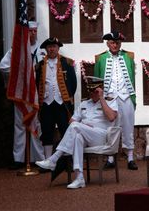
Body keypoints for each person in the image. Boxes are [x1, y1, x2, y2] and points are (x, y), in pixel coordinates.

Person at [35, 76, 118, 189]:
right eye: (90, 90)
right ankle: (79, 178)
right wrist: (83, 126)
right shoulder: (84, 104)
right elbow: (72, 122)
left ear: (100, 90)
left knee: (76, 127)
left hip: (101, 137)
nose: (91, 93)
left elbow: (112, 117)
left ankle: (53, 159)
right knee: (77, 137)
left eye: (95, 91)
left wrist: (102, 98)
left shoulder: (110, 101)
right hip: (85, 134)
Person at [0, 20, 45, 169]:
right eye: (30, 31)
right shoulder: (15, 50)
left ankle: (37, 158)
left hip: (38, 93)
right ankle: (18, 159)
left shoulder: (42, 50)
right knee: (19, 125)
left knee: (36, 124)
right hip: (21, 93)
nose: (33, 34)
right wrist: (21, 72)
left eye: (35, 31)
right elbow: (3, 67)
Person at [94, 31, 138, 170]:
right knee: (110, 128)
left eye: (117, 42)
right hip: (109, 98)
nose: (115, 45)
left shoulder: (128, 57)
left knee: (128, 127)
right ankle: (110, 158)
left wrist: (133, 97)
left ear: (121, 43)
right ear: (108, 43)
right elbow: (96, 81)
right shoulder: (100, 59)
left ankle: (130, 157)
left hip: (126, 96)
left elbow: (132, 78)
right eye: (112, 42)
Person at [35, 37, 77, 159]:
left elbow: (73, 84)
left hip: (62, 103)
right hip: (47, 104)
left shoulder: (67, 63)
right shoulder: (39, 66)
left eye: (54, 46)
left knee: (65, 131)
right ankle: (48, 160)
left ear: (58, 48)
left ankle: (66, 161)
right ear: (46, 49)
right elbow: (37, 84)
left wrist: (66, 98)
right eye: (49, 47)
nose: (52, 49)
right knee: (47, 131)